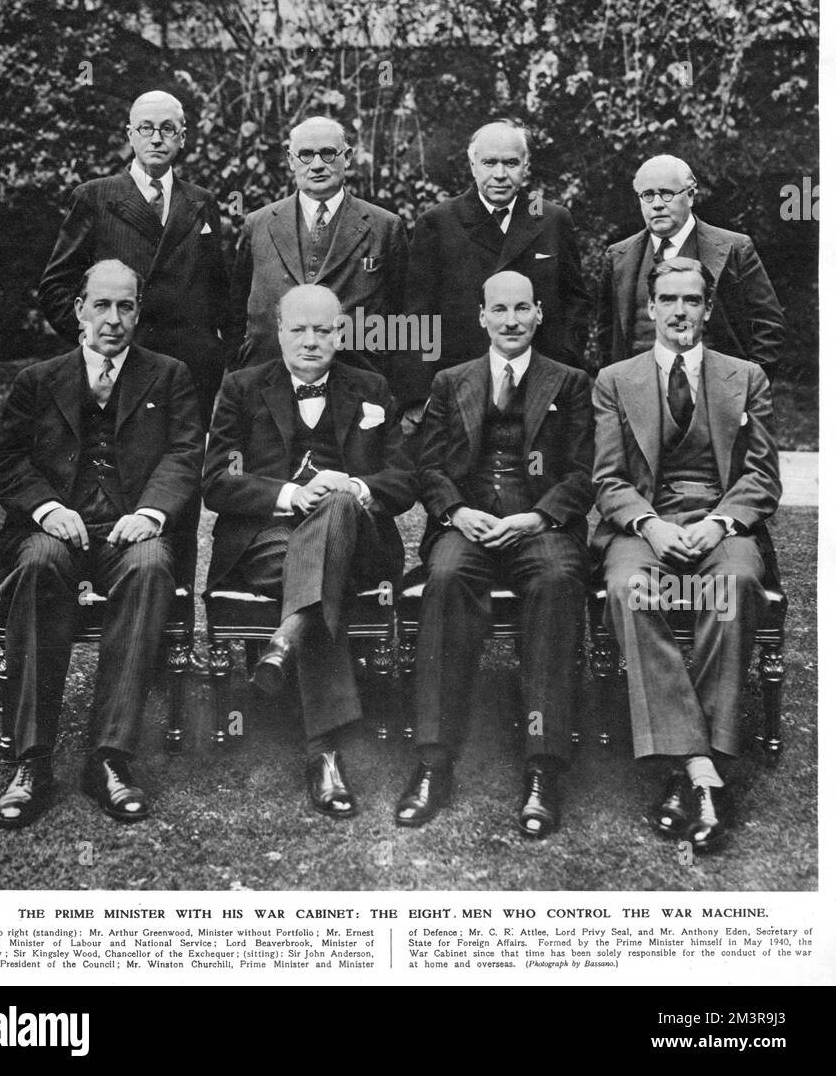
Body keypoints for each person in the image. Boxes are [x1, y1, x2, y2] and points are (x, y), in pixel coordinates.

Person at [0, 260, 205, 829]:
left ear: (138, 312)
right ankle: (31, 761)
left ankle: (109, 758)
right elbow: (6, 460)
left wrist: (151, 512)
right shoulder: (38, 380)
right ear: (79, 309)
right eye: (102, 306)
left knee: (153, 564)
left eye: (126, 306)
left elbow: (185, 453)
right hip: (57, 528)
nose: (113, 319)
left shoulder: (169, 374)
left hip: (129, 527)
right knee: (36, 564)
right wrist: (48, 509)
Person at [203, 283, 416, 819]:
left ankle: (284, 641)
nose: (311, 340)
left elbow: (404, 477)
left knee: (341, 505)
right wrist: (291, 494)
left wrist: (356, 489)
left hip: (359, 540)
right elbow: (217, 482)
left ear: (340, 332)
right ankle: (325, 756)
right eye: (298, 329)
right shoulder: (241, 388)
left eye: (323, 329)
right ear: (279, 332)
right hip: (267, 542)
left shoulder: (371, 387)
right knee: (321, 571)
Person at [394, 270, 594, 838]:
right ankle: (434, 760)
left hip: (540, 525)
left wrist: (539, 516)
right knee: (448, 575)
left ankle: (543, 767)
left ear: (539, 315)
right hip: (470, 521)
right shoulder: (451, 381)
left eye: (522, 309)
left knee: (557, 580)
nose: (511, 320)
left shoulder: (571, 382)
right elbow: (426, 467)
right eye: (499, 310)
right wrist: (457, 512)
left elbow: (586, 472)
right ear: (481, 316)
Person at [592, 258, 782, 853]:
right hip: (646, 526)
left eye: (692, 300)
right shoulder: (615, 380)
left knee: (733, 590)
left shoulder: (745, 377)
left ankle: (683, 768)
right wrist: (647, 525)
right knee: (630, 590)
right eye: (668, 299)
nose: (680, 312)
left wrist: (722, 522)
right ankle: (704, 770)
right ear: (650, 308)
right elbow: (608, 480)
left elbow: (762, 476)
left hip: (720, 524)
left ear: (706, 308)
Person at [39, 90, 234, 428]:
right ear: (130, 135)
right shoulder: (95, 197)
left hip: (190, 370)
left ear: (183, 138)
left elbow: (219, 293)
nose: (156, 139)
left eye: (167, 129)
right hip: (121, 363)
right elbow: (55, 287)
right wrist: (95, 340)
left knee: (182, 469)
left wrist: (214, 351)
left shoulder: (203, 202)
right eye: (146, 128)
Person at [399, 120, 590, 407]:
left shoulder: (552, 220)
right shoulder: (438, 223)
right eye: (489, 163)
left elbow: (575, 304)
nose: (500, 174)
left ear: (526, 166)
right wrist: (418, 397)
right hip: (460, 388)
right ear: (473, 165)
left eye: (511, 163)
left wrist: (562, 370)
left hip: (539, 388)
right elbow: (418, 316)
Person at [229, 116, 409, 380]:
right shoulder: (258, 224)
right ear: (291, 160)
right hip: (267, 379)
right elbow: (235, 310)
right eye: (305, 155)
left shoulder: (385, 226)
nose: (316, 166)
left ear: (347, 157)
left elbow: (401, 315)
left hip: (355, 380)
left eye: (327, 154)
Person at [597, 153, 785, 375]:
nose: (656, 204)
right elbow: (607, 337)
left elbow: (768, 328)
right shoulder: (619, 256)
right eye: (647, 195)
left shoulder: (735, 248)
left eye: (666, 194)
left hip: (717, 396)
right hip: (640, 396)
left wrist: (745, 394)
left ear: (691, 195)